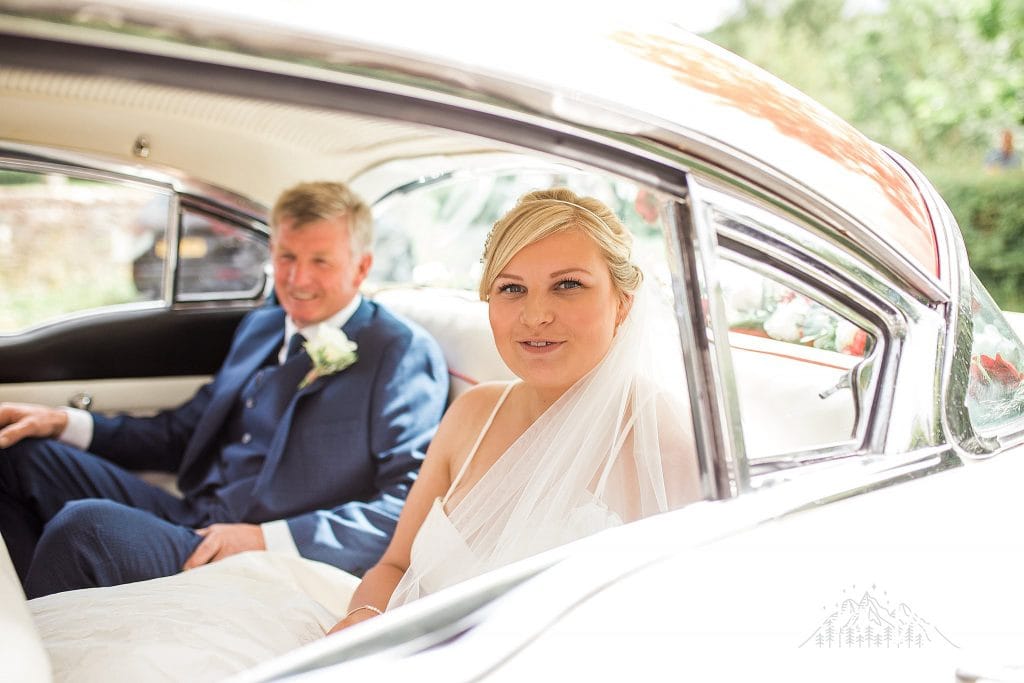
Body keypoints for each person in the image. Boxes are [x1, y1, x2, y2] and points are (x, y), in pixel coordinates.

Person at [0, 180, 449, 598]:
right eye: (287, 257)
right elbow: (180, 434)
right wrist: (63, 422)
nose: (298, 280)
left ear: (361, 267)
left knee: (86, 529)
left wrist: (266, 539)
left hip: (267, 557)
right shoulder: (262, 327)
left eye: (320, 261)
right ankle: (18, 620)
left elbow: (407, 506)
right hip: (193, 516)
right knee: (18, 454)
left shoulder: (399, 351)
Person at [329, 187, 701, 633]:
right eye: (512, 288)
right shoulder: (473, 413)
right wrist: (364, 618)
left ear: (622, 303)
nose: (535, 315)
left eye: (568, 285)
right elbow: (394, 566)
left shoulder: (667, 444)